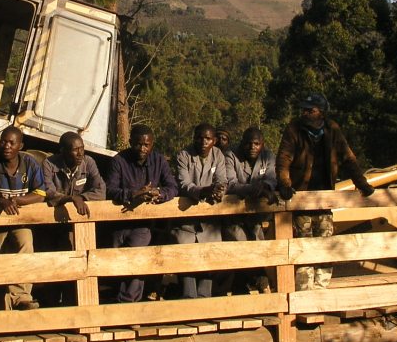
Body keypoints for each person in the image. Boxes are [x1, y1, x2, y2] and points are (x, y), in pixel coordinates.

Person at [275, 93, 374, 290]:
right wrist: (285, 184)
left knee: (326, 242)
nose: (305, 113)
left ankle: (321, 287)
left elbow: (347, 157)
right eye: (303, 109)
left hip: (325, 196)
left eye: (310, 110)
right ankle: (304, 289)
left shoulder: (332, 129)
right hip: (301, 197)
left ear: (321, 112)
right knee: (304, 243)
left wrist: (362, 183)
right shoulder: (294, 129)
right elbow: (283, 158)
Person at [104, 124, 179, 303]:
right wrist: (134, 194)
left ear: (152, 144)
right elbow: (110, 190)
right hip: (119, 220)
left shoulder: (159, 161)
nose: (142, 149)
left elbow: (173, 186)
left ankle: (128, 304)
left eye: (147, 145)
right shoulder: (119, 161)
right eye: (138, 144)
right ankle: (114, 298)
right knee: (116, 262)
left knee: (137, 255)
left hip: (143, 223)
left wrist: (159, 193)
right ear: (130, 142)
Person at [0, 126, 47, 310]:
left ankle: (21, 296)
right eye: (3, 142)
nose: (6, 146)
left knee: (25, 243)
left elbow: (40, 194)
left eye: (11, 143)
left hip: (19, 219)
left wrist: (16, 200)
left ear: (20, 145)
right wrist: (1, 201)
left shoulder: (30, 164)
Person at [172, 123, 230, 298]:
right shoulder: (183, 155)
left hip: (209, 220)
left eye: (208, 138)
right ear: (194, 138)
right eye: (199, 137)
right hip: (186, 218)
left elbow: (222, 179)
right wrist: (202, 191)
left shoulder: (218, 155)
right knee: (186, 257)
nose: (203, 142)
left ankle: (205, 300)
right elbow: (184, 183)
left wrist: (220, 190)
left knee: (210, 257)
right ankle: (189, 300)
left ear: (214, 140)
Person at [223, 126, 279, 293]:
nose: (252, 147)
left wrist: (265, 187)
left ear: (262, 144)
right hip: (233, 213)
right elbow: (230, 183)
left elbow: (271, 179)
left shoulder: (268, 156)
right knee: (239, 242)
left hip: (257, 215)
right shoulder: (231, 155)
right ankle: (260, 282)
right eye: (248, 143)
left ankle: (255, 284)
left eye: (256, 143)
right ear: (242, 143)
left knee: (258, 242)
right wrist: (253, 188)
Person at [43, 131, 106, 217]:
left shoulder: (88, 163)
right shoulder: (49, 164)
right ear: (63, 151)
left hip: (80, 216)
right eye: (75, 150)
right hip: (54, 216)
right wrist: (71, 199)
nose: (80, 153)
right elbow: (48, 192)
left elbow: (101, 191)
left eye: (82, 148)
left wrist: (81, 198)